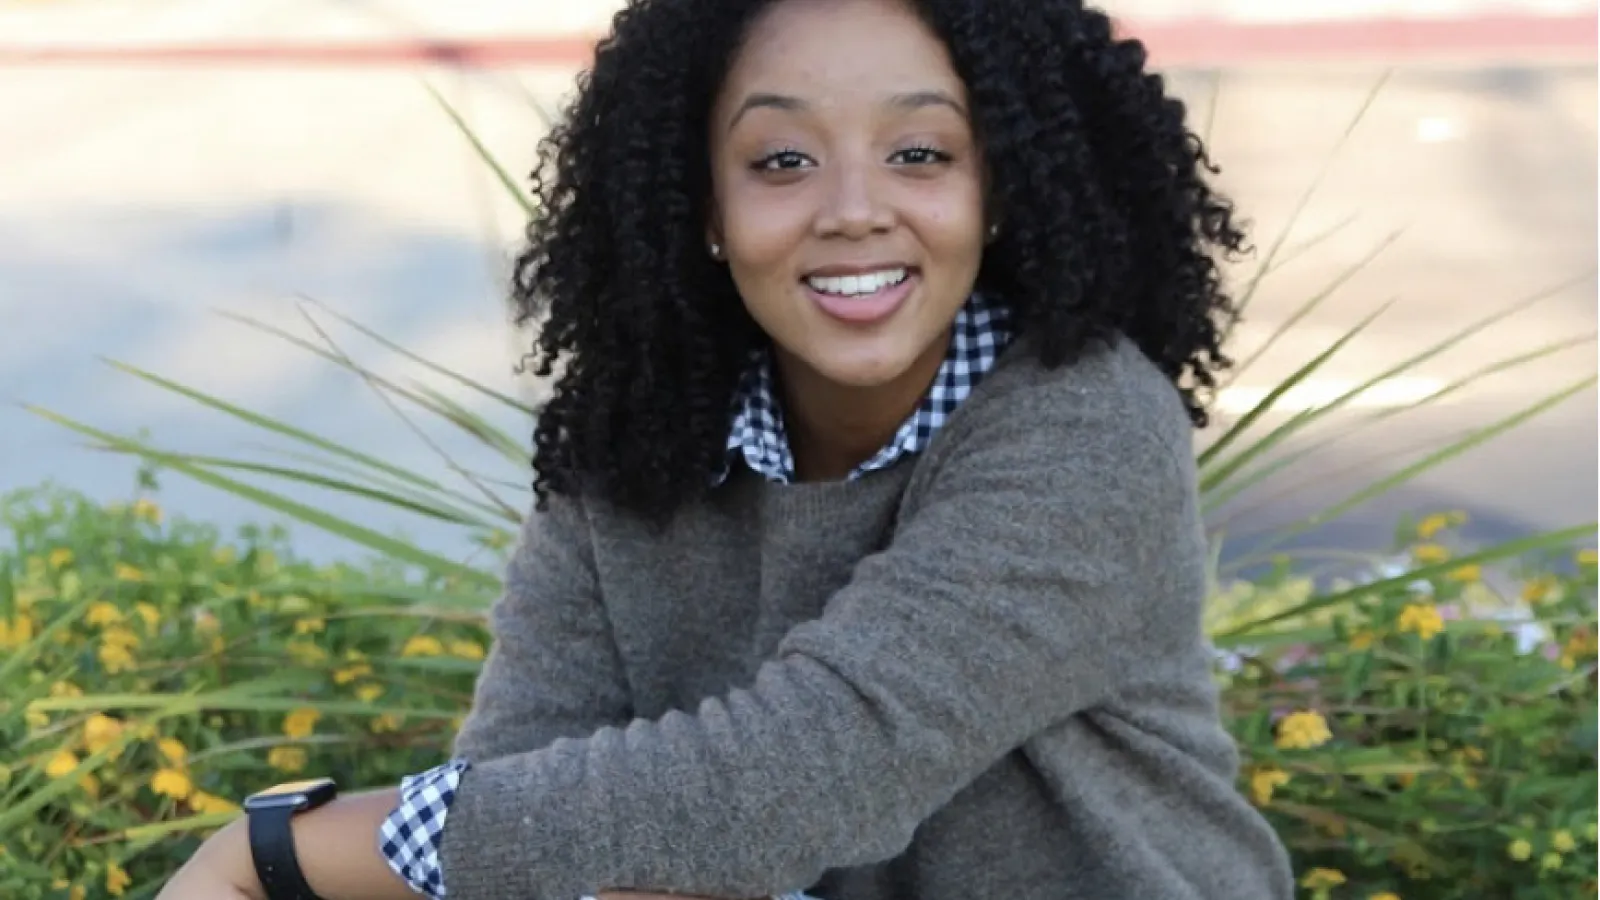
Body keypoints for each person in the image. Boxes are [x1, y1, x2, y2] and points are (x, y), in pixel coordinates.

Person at [157, 0, 1297, 897]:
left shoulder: (1084, 421)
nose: (853, 209)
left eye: (920, 152)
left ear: (998, 187)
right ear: (701, 204)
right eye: (781, 161)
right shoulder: (640, 435)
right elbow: (522, 798)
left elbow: (799, 779)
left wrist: (274, 855)